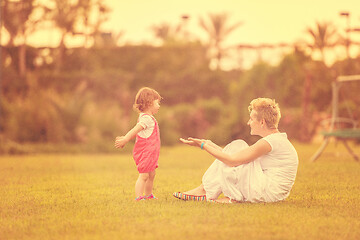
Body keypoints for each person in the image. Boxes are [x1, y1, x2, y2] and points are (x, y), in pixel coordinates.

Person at [173, 98, 298, 203]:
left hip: (268, 192)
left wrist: (204, 147)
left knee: (238, 145)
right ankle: (209, 191)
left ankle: (211, 192)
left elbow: (232, 161)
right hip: (269, 190)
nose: (249, 123)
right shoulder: (275, 140)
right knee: (238, 147)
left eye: (251, 119)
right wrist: (210, 144)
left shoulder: (269, 142)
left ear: (262, 122)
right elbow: (237, 157)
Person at [115, 87, 162, 201]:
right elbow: (135, 130)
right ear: (149, 103)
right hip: (146, 153)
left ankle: (148, 195)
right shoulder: (146, 119)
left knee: (152, 175)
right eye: (157, 102)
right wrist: (125, 139)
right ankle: (139, 197)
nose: (159, 105)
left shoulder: (148, 118)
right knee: (144, 175)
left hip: (151, 154)